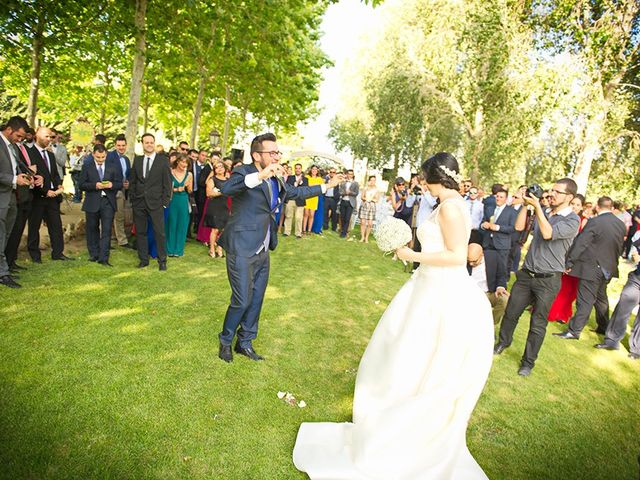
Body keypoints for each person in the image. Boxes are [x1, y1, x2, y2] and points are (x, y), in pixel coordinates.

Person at [293, 152, 493, 479]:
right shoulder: (447, 205)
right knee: (402, 356)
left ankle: (407, 430)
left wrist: (411, 253)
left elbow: (458, 257)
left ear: (435, 177)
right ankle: (393, 415)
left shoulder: (452, 208)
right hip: (426, 288)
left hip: (440, 295)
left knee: (416, 357)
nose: (421, 184)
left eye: (424, 178)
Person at [217, 132, 343, 363]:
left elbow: (296, 193)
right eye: (272, 152)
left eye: (278, 152)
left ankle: (244, 342)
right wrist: (260, 175)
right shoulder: (244, 172)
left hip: (263, 246)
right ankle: (225, 340)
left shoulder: (278, 178)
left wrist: (326, 186)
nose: (277, 156)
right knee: (242, 299)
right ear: (257, 155)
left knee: (256, 299)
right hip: (242, 246)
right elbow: (227, 189)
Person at [494, 178, 580, 376]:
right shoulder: (546, 211)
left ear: (569, 197)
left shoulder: (572, 220)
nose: (551, 194)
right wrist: (525, 205)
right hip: (526, 274)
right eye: (551, 190)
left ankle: (528, 362)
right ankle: (503, 343)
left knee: (538, 323)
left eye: (557, 192)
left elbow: (548, 233)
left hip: (548, 280)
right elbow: (518, 227)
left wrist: (539, 209)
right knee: (511, 313)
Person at [553, 196, 626, 340]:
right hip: (609, 267)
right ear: (611, 208)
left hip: (592, 267)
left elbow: (581, 243)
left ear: (598, 207)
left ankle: (574, 331)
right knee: (601, 299)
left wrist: (569, 262)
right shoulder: (620, 224)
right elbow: (619, 247)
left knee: (585, 300)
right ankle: (604, 326)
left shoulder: (595, 222)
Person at [27, 127, 74, 263]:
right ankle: (35, 255)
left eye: (51, 137)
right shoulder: (29, 153)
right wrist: (44, 191)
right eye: (47, 137)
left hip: (53, 197)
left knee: (56, 226)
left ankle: (58, 253)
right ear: (38, 135)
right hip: (37, 198)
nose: (49, 139)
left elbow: (54, 174)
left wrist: (58, 184)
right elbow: (32, 177)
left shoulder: (50, 155)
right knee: (34, 227)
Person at [129, 132, 172, 270]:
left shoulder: (163, 161)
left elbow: (168, 183)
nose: (149, 144)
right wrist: (133, 198)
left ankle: (162, 261)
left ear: (154, 143)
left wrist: (165, 202)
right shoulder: (138, 160)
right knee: (141, 232)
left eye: (151, 142)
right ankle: (143, 259)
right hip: (139, 203)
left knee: (159, 232)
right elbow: (133, 181)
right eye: (146, 142)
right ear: (142, 144)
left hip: (156, 203)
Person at [594, 230, 640, 360]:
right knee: (623, 308)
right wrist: (635, 255)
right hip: (637, 278)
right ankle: (611, 341)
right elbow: (634, 251)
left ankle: (637, 348)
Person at [0, 116, 33, 288]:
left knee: (6, 234)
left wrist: (27, 176)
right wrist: (14, 179)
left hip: (12, 196)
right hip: (2, 195)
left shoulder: (12, 146)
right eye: (18, 136)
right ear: (9, 129)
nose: (20, 140)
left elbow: (17, 168)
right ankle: (3, 273)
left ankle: (4, 267)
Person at [79, 144, 123, 266]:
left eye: (103, 157)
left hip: (107, 201)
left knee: (107, 230)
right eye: (98, 157)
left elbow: (119, 183)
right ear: (93, 155)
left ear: (106, 155)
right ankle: (94, 254)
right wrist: (95, 185)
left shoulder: (112, 166)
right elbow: (81, 185)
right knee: (92, 228)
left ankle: (104, 258)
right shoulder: (87, 166)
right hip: (92, 201)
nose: (100, 160)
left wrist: (111, 185)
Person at [547, 193, 586, 323]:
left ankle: (562, 314)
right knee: (557, 286)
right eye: (573, 203)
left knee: (568, 290)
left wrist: (570, 262)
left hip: (574, 259)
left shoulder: (584, 221)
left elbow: (581, 244)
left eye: (578, 205)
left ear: (582, 207)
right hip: (561, 255)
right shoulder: (564, 217)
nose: (574, 206)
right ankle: (551, 310)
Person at [480, 186, 517, 300]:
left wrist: (497, 227)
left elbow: (512, 228)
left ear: (506, 199)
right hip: (488, 242)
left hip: (501, 244)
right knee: (486, 267)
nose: (498, 199)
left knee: (501, 268)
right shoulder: (490, 209)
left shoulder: (512, 212)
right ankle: (486, 289)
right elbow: (483, 221)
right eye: (497, 196)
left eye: (501, 197)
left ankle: (500, 291)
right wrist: (483, 225)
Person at [468, 242, 508, 324]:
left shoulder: (493, 256)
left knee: (504, 299)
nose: (471, 264)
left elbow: (502, 274)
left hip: (489, 293)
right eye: (469, 261)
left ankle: (490, 325)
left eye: (474, 261)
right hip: (471, 293)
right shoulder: (462, 260)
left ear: (482, 254)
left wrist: (500, 287)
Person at [107, 134, 132, 248]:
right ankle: (105, 240)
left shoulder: (126, 159)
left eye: (123, 145)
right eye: (119, 145)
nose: (121, 147)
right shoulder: (109, 156)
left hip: (121, 191)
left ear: (126, 145)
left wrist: (127, 183)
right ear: (115, 145)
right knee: (106, 216)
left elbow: (127, 175)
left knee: (120, 216)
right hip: (109, 191)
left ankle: (122, 240)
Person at [165, 153, 193, 257]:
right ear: (177, 161)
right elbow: (166, 188)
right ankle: (169, 249)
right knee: (171, 223)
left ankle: (178, 250)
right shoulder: (170, 172)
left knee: (182, 224)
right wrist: (177, 189)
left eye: (186, 163)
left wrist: (187, 186)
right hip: (173, 200)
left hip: (183, 201)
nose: (184, 165)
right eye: (182, 162)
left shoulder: (189, 175)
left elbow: (190, 190)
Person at [204, 161, 229, 257]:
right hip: (215, 206)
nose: (219, 168)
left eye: (221, 166)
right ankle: (211, 250)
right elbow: (209, 193)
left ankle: (220, 247)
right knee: (215, 229)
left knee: (224, 229)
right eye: (217, 167)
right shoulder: (212, 179)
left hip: (225, 206)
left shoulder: (228, 179)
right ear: (214, 170)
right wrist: (221, 192)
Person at [284, 163, 308, 238]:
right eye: (296, 168)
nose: (297, 169)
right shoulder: (290, 177)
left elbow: (306, 189)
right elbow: (289, 188)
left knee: (298, 217)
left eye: (299, 168)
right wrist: (296, 183)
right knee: (288, 216)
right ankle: (286, 232)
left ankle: (298, 233)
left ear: (301, 169)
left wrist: (300, 183)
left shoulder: (305, 179)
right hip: (291, 200)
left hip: (300, 200)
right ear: (295, 169)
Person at [303, 165, 323, 235]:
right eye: (313, 169)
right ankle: (303, 230)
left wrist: (312, 187)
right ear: (311, 170)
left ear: (317, 171)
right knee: (306, 214)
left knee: (311, 215)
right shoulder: (307, 177)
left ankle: (309, 230)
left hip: (314, 198)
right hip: (307, 197)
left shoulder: (320, 179)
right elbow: (305, 187)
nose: (314, 170)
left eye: (315, 169)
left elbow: (321, 189)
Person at [359, 175, 380, 243]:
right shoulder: (365, 188)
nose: (372, 182)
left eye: (374, 180)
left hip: (372, 206)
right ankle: (362, 237)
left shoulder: (376, 190)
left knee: (370, 223)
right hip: (364, 205)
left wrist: (371, 199)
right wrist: (366, 199)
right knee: (363, 222)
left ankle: (366, 237)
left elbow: (377, 199)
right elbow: (362, 197)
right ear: (369, 181)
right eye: (371, 180)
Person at [338, 169, 359, 238]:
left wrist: (350, 192)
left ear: (353, 175)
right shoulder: (343, 183)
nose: (350, 175)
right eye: (349, 174)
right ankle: (342, 230)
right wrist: (345, 193)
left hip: (350, 202)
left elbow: (356, 193)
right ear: (347, 174)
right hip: (343, 201)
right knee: (342, 217)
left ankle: (344, 233)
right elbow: (340, 192)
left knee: (347, 218)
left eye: (351, 174)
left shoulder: (355, 183)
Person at [323, 167, 340, 232]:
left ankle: (334, 227)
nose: (332, 173)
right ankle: (325, 226)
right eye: (331, 172)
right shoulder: (326, 180)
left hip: (334, 199)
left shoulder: (338, 180)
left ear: (335, 173)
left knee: (334, 214)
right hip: (326, 198)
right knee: (325, 213)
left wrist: (337, 197)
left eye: (333, 172)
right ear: (329, 173)